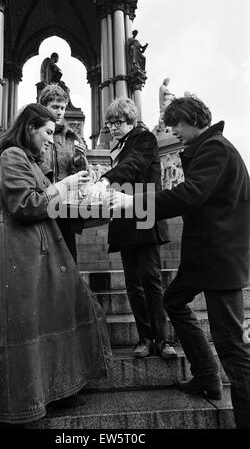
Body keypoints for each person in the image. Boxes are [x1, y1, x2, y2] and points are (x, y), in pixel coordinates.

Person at [106, 96, 250, 429]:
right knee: (173, 300)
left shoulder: (215, 149)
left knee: (231, 346)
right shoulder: (210, 148)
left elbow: (190, 194)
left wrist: (133, 202)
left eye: (177, 126)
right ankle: (206, 376)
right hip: (206, 257)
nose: (174, 133)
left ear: (191, 120)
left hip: (219, 260)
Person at [0, 103, 111, 426]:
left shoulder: (30, 161)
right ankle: (24, 402)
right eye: (48, 133)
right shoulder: (12, 157)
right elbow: (25, 205)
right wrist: (61, 187)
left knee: (54, 315)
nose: (52, 140)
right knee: (27, 324)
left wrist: (77, 191)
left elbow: (45, 201)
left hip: (43, 249)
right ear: (30, 128)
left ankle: (55, 389)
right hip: (23, 255)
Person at [89, 98, 177, 360]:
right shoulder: (120, 145)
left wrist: (105, 179)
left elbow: (134, 165)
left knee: (151, 280)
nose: (113, 127)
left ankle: (163, 339)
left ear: (130, 120)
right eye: (110, 123)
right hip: (126, 220)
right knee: (133, 283)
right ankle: (145, 338)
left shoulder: (144, 138)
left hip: (143, 216)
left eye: (117, 122)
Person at [39, 84, 88, 263]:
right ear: (44, 107)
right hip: (42, 204)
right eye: (55, 107)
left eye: (62, 107)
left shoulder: (72, 137)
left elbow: (83, 175)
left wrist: (79, 160)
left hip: (65, 206)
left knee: (69, 259)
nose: (59, 112)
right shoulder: (35, 135)